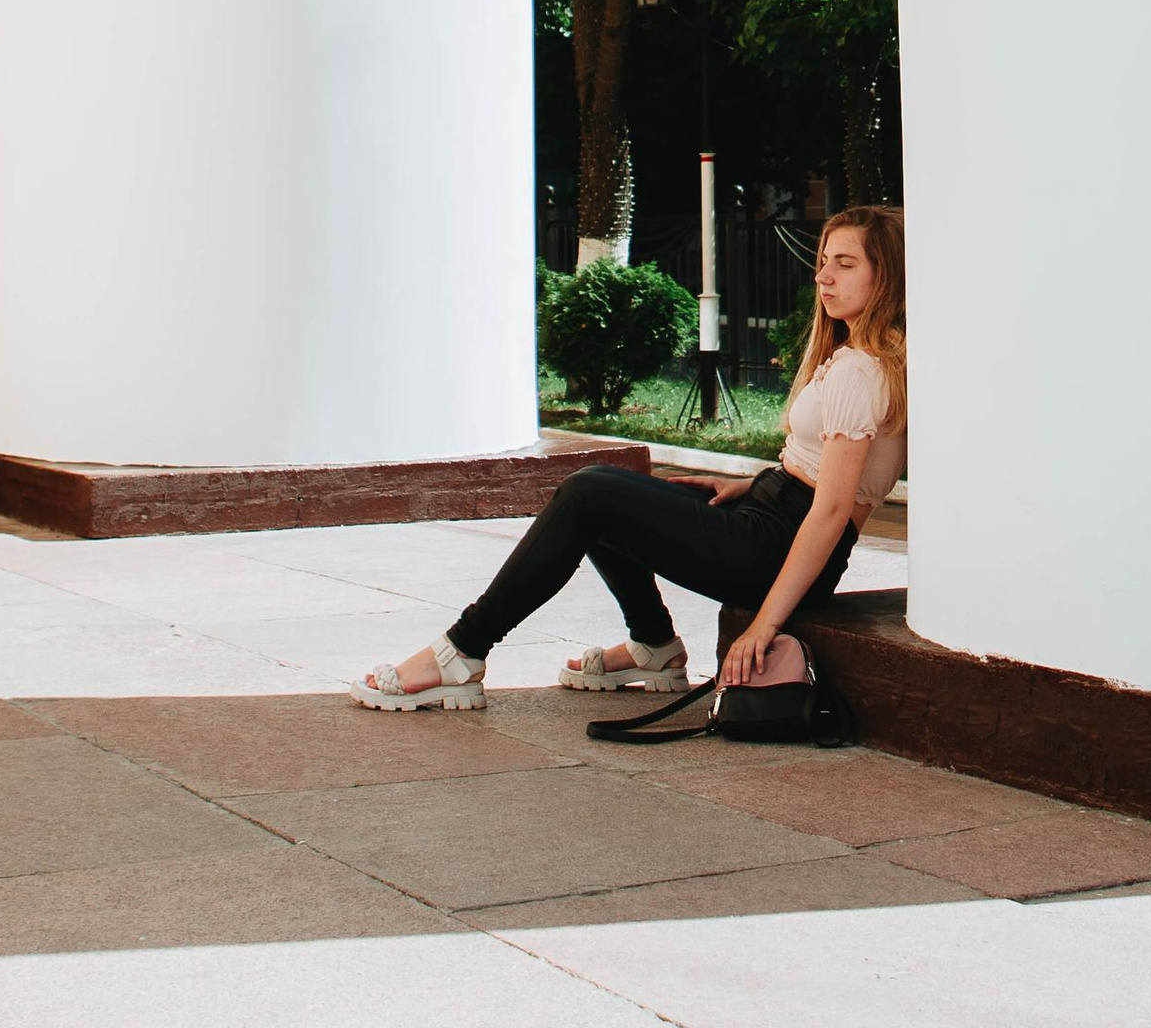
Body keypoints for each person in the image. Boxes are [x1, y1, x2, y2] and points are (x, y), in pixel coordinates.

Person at [354, 204, 909, 710]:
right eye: (822, 261)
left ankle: (464, 651)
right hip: (769, 514)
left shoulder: (862, 373)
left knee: (590, 494)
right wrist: (755, 483)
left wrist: (764, 625)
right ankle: (653, 645)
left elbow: (832, 511)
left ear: (885, 275)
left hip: (775, 546)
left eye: (845, 264)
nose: (823, 277)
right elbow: (820, 475)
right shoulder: (860, 357)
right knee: (602, 488)